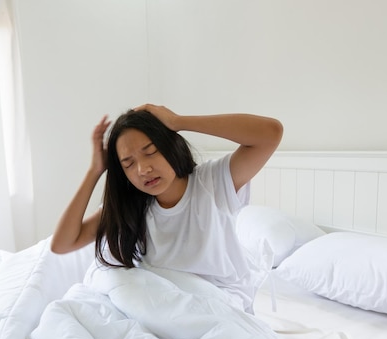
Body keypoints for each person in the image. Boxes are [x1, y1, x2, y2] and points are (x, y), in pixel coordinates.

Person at [51, 104, 282, 313]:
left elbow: (270, 133)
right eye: (128, 164)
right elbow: (62, 244)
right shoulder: (132, 204)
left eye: (150, 151)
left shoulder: (213, 182)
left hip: (216, 304)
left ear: (169, 145)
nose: (143, 169)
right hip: (161, 303)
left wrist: (178, 121)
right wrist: (95, 171)